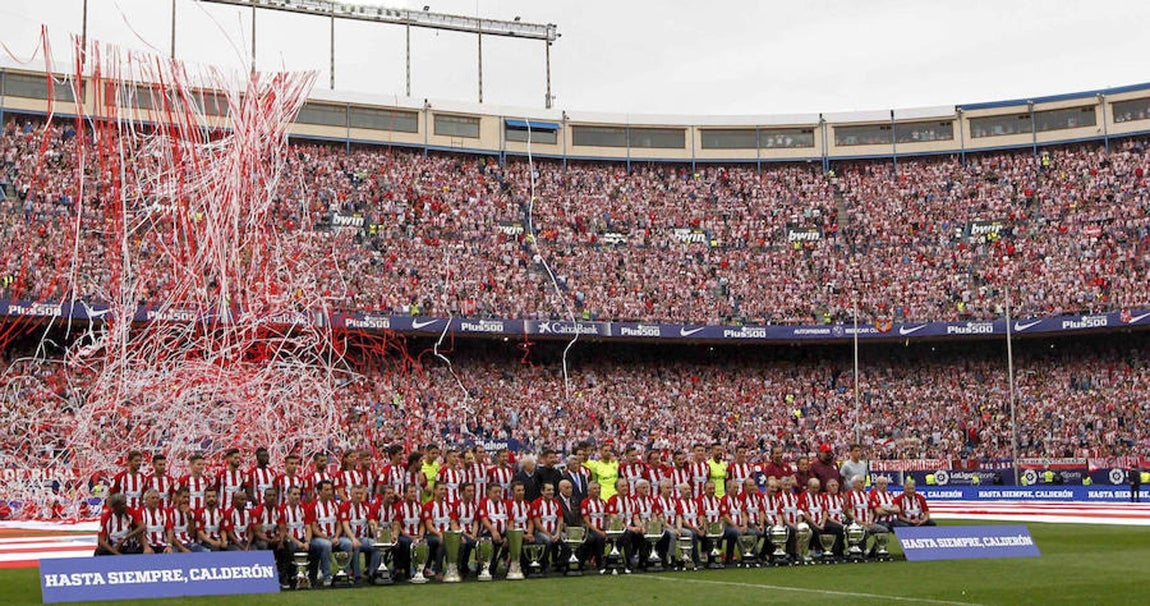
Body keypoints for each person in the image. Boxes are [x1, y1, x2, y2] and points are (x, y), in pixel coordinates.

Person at [310, 480, 353, 585]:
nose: (330, 492)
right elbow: (314, 529)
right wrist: (328, 538)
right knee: (326, 545)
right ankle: (327, 576)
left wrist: (337, 536)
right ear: (319, 492)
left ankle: (345, 574)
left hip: (334, 537)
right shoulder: (313, 506)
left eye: (331, 489)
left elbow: (339, 524)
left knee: (347, 543)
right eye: (326, 490)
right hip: (318, 539)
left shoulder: (335, 505)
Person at [277, 485, 312, 588]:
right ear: (288, 495)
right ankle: (286, 577)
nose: (297, 497)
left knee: (315, 547)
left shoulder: (303, 508)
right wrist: (298, 543)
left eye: (299, 494)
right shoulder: (282, 509)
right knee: (290, 547)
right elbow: (284, 531)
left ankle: (309, 577)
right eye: (294, 494)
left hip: (302, 538)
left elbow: (308, 527)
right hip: (289, 539)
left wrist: (307, 542)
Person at [342, 484, 376, 584]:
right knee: (355, 546)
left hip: (362, 538)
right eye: (356, 493)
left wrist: (376, 531)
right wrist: (353, 538)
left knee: (376, 546)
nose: (359, 496)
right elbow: (345, 525)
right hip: (348, 538)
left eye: (361, 493)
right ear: (350, 494)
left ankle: (372, 573)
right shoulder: (345, 506)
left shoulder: (366, 506)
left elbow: (371, 521)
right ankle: (356, 575)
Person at [393, 483, 425, 581]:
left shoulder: (419, 506)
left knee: (426, 543)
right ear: (405, 494)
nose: (413, 494)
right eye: (411, 492)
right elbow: (398, 525)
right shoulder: (399, 506)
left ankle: (421, 570)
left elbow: (422, 524)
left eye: (415, 492)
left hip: (416, 535)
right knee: (405, 543)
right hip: (405, 535)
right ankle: (406, 571)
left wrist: (421, 535)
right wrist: (410, 537)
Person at [478, 484, 510, 578]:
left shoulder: (505, 504)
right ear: (489, 492)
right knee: (489, 541)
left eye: (500, 492)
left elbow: (509, 521)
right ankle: (485, 569)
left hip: (503, 533)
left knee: (515, 541)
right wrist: (493, 531)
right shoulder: (484, 503)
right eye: (495, 492)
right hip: (487, 533)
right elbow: (484, 519)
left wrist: (507, 536)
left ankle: (513, 567)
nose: (498, 494)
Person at [422, 483, 453, 578]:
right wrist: (439, 534)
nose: (444, 491)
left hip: (446, 534)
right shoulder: (428, 506)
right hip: (431, 535)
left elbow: (453, 522)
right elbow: (429, 526)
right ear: (435, 491)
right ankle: (438, 570)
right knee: (442, 542)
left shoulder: (449, 506)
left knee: (461, 543)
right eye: (441, 489)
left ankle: (455, 568)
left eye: (445, 489)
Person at [531, 482, 563, 571]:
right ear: (542, 491)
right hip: (540, 532)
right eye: (548, 490)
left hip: (553, 531)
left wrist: (557, 533)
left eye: (552, 490)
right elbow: (537, 524)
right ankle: (544, 564)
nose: (551, 492)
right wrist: (549, 535)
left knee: (565, 540)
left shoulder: (556, 503)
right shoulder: (536, 503)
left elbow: (560, 520)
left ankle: (560, 563)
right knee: (547, 541)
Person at [452, 482, 480, 579]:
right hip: (460, 534)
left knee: (483, 542)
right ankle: (458, 567)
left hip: (471, 533)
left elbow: (476, 522)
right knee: (464, 543)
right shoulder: (456, 505)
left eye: (472, 491)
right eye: (468, 491)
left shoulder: (474, 506)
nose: (471, 493)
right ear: (462, 492)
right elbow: (454, 523)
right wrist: (467, 536)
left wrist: (474, 534)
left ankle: (480, 568)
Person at [580, 481, 608, 571]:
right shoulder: (585, 503)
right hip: (590, 530)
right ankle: (599, 562)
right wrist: (599, 532)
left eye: (599, 488)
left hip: (602, 529)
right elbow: (587, 522)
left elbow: (606, 518)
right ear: (589, 491)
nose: (598, 491)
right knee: (598, 538)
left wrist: (607, 530)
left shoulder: (603, 502)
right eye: (595, 489)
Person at [168, 487, 205, 554]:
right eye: (184, 497)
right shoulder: (168, 512)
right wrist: (183, 549)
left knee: (206, 552)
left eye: (188, 497)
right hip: (175, 545)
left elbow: (192, 535)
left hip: (189, 543)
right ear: (177, 497)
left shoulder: (192, 512)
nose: (186, 500)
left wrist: (189, 517)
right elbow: (169, 535)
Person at [140, 489, 172, 554]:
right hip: (148, 545)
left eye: (157, 498)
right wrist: (146, 547)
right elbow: (139, 532)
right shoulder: (141, 512)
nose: (155, 500)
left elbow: (169, 530)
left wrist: (169, 545)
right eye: (153, 498)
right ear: (146, 500)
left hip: (163, 545)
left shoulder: (164, 512)